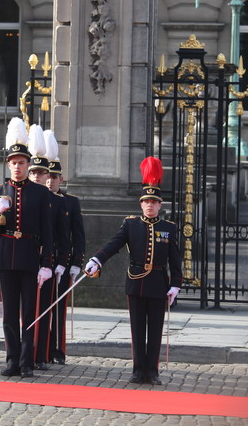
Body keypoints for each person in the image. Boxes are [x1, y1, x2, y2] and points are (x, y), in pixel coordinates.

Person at [85, 157, 183, 385]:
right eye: (146, 201)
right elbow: (113, 244)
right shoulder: (130, 225)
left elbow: (175, 258)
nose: (150, 205)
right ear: (141, 204)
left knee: (156, 329)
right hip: (136, 283)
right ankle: (138, 370)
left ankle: (153, 371)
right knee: (138, 329)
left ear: (160, 205)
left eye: (154, 202)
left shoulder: (168, 228)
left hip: (158, 283)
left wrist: (176, 284)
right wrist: (97, 260)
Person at [0, 117, 53, 378]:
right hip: (6, 257)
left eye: (22, 163)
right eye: (13, 163)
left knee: (29, 312)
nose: (17, 167)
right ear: (9, 164)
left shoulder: (40, 193)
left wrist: (46, 264)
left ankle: (27, 361)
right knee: (9, 314)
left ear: (28, 164)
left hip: (29, 257)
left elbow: (47, 232)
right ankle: (12, 359)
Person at [28, 125, 69, 372]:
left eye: (42, 174)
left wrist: (63, 262)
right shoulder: (21, 196)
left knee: (44, 309)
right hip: (25, 259)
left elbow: (63, 236)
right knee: (26, 310)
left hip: (47, 261)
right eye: (35, 173)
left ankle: (42, 352)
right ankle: (26, 352)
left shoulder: (57, 201)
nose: (39, 177)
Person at [45, 129, 79, 366]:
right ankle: (43, 347)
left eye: (54, 177)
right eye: (47, 177)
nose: (50, 181)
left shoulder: (70, 202)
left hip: (63, 260)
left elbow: (78, 234)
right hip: (43, 260)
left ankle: (58, 349)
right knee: (42, 307)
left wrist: (76, 262)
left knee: (59, 308)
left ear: (61, 179)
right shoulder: (41, 198)